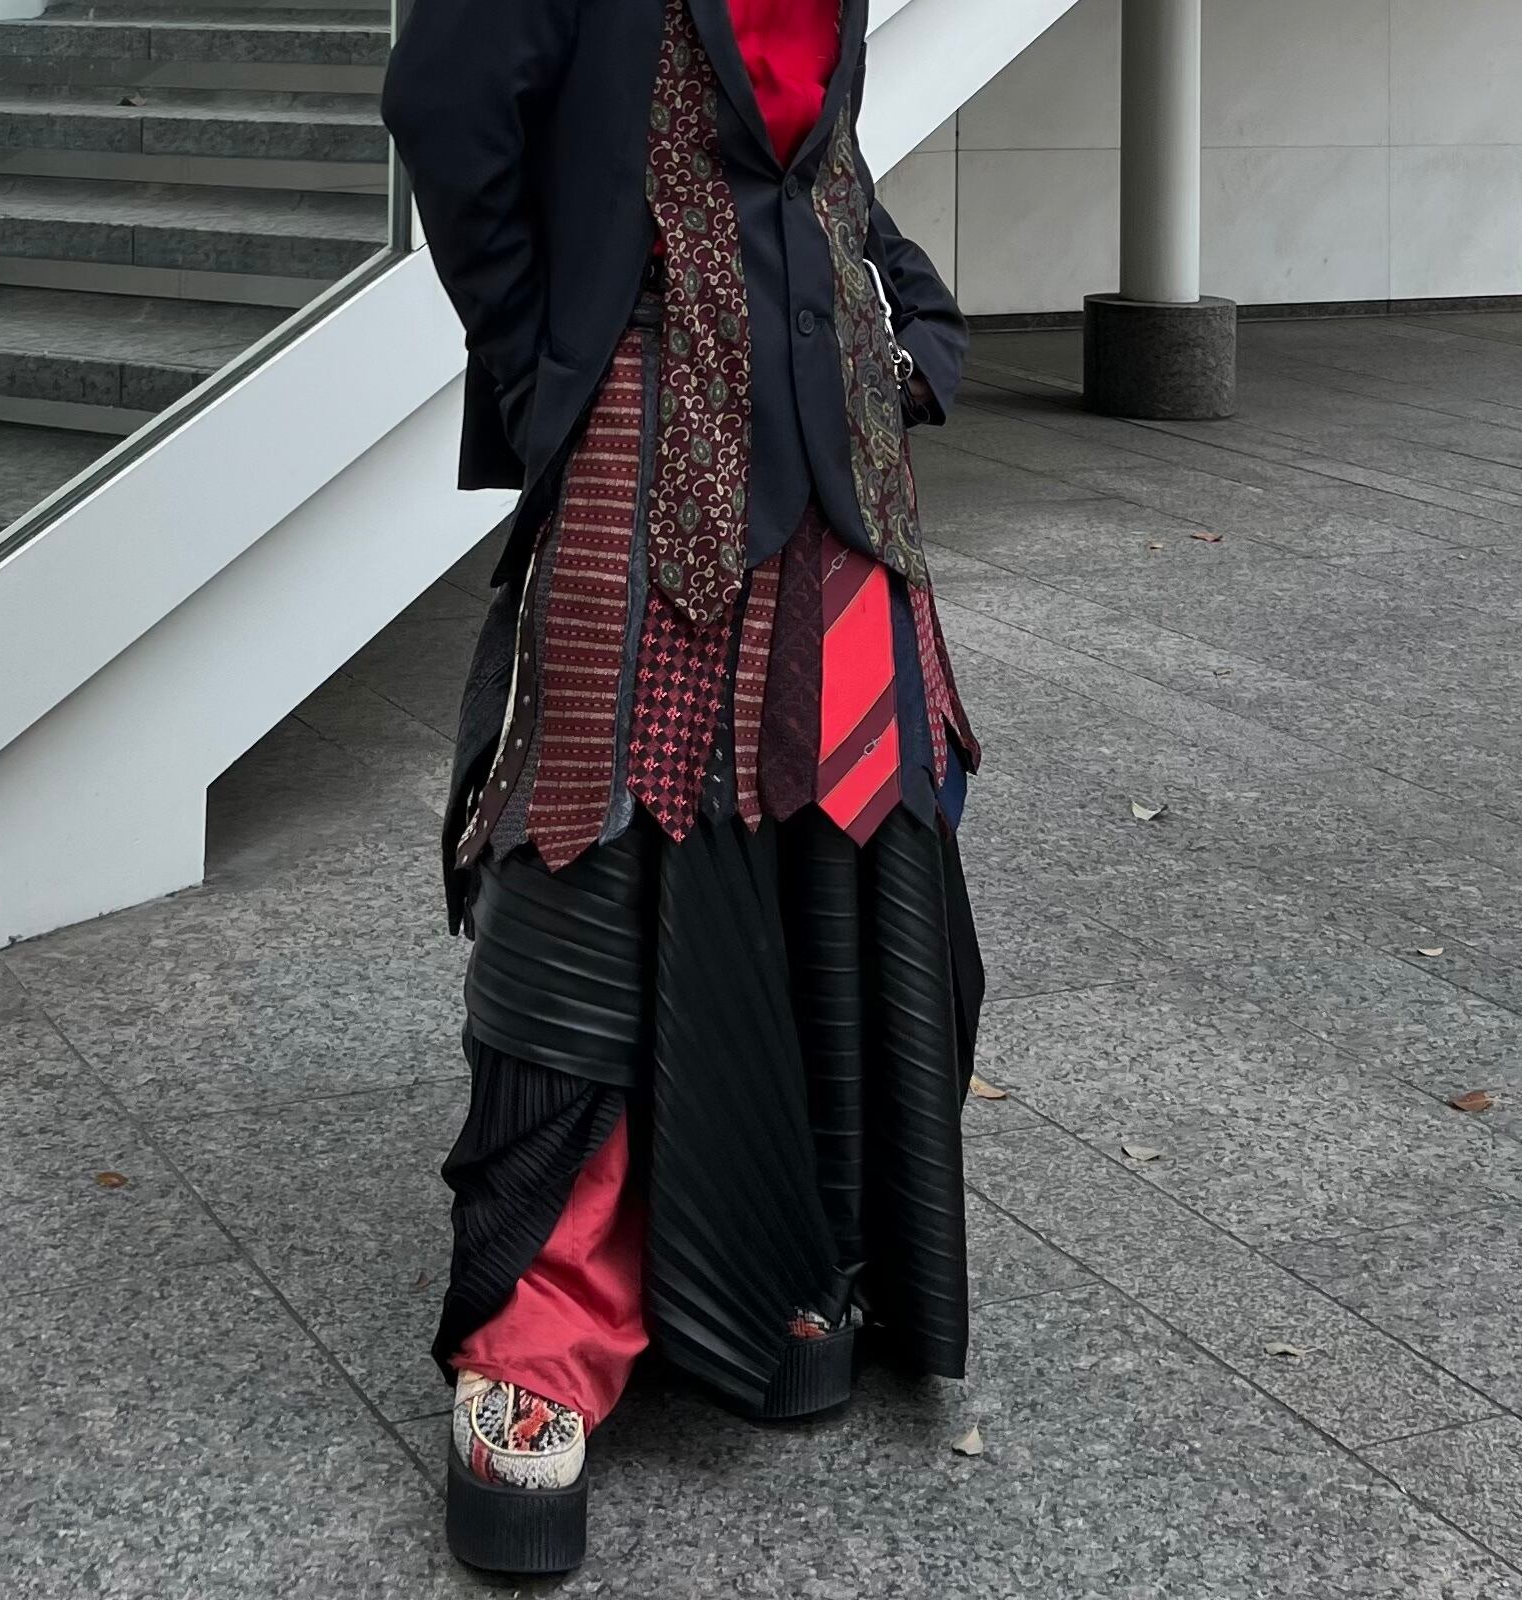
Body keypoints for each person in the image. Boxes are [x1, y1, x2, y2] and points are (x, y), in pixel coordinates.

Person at [381, 0, 984, 1573]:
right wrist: (550, 361)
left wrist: (914, 327)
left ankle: (793, 1268)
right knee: (592, 858)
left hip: (840, 463)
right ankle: (543, 1334)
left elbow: (813, 140)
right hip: (648, 432)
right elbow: (445, 102)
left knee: (852, 837)